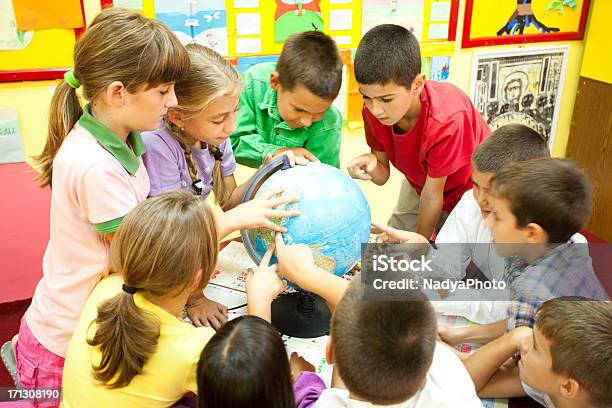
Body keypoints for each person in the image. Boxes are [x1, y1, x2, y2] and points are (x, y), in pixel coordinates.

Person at [15, 8, 189, 397]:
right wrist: (220, 226)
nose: (173, 100)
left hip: (84, 321)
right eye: (163, 91)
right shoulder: (96, 166)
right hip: (62, 347)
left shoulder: (122, 139)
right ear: (117, 93)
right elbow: (140, 257)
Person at [61, 191, 288, 407]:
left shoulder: (108, 287)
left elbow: (160, 250)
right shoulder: (191, 350)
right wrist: (259, 303)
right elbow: (256, 385)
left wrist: (229, 221)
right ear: (197, 278)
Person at [347, 24, 489, 239]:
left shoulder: (447, 119)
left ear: (417, 84)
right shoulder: (372, 111)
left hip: (469, 190)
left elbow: (433, 195)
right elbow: (382, 174)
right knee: (388, 243)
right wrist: (370, 163)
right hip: (422, 184)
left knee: (440, 256)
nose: (375, 109)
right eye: (366, 96)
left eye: (386, 99)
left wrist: (418, 245)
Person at [230, 30, 343, 168]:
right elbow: (232, 142)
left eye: (319, 112)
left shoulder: (329, 121)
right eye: (299, 109)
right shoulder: (252, 84)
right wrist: (277, 152)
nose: (307, 122)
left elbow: (325, 175)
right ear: (275, 83)